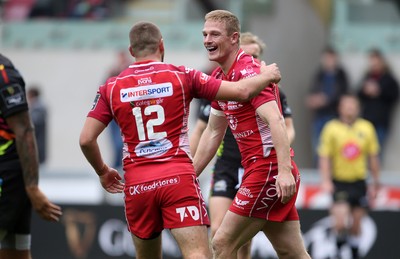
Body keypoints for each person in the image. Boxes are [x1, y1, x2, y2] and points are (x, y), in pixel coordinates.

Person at [79, 21, 282, 259]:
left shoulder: (111, 87)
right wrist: (265, 75)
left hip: (138, 184)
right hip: (178, 178)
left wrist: (103, 171)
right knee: (197, 253)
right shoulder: (181, 75)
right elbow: (241, 92)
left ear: (132, 50)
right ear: (162, 45)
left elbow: (86, 140)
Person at [193, 10, 310, 259]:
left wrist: (284, 170)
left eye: (214, 34)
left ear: (234, 38)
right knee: (292, 253)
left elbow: (277, 120)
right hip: (259, 171)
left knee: (222, 242)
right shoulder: (220, 77)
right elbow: (213, 131)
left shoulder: (249, 72)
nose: (207, 40)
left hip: (267, 172)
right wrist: (191, 175)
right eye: (205, 34)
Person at [0, 54, 62, 259]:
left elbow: (25, 130)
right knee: (16, 253)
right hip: (12, 178)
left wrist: (32, 188)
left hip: (7, 177)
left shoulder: (4, 75)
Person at [318, 94, 380, 259]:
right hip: (339, 182)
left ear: (358, 108)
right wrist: (325, 180)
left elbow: (373, 157)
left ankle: (354, 253)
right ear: (340, 108)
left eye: (353, 105)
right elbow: (324, 157)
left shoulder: (367, 128)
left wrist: (375, 182)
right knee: (339, 223)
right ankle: (338, 251)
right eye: (347, 105)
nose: (350, 108)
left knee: (355, 227)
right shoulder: (331, 128)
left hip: (360, 183)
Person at [305, 46, 349, 165]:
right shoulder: (319, 74)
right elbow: (312, 92)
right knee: (318, 147)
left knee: (335, 147)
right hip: (319, 116)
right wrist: (313, 100)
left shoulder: (341, 75)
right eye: (326, 58)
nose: (328, 61)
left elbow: (343, 94)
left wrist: (325, 100)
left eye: (330, 58)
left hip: (334, 116)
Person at [357, 48, 399, 156]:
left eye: (376, 62)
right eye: (372, 62)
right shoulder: (367, 77)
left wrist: (379, 91)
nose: (374, 65)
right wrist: (365, 91)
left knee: (377, 152)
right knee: (363, 152)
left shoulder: (389, 79)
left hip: (381, 121)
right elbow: (357, 95)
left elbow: (394, 96)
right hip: (366, 121)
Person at [27, 86, 48, 165]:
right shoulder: (39, 108)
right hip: (38, 148)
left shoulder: (38, 109)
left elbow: (33, 124)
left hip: (37, 148)